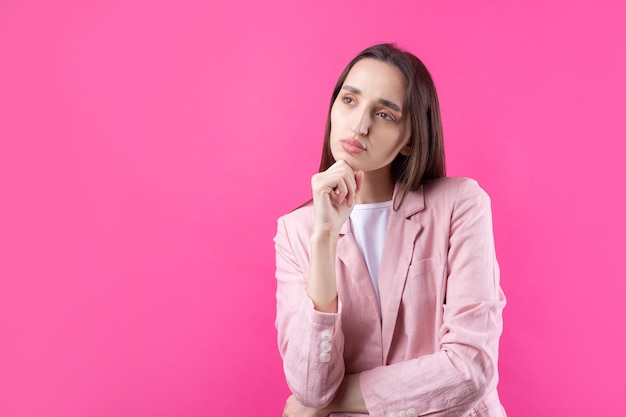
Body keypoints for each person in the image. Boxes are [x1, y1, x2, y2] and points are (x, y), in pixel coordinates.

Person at [274, 43, 506, 417]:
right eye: (349, 101)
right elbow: (310, 386)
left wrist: (337, 399)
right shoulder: (296, 232)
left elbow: (470, 367)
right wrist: (324, 238)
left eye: (384, 114)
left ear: (410, 139)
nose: (360, 125)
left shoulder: (461, 203)